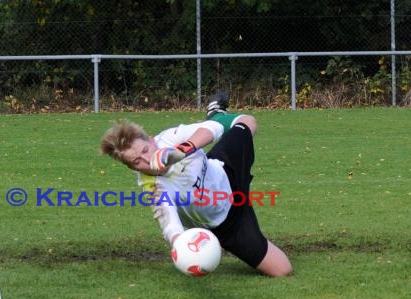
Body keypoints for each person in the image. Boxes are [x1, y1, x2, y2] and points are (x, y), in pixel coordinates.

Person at [100, 92, 292, 277]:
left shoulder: (169, 138)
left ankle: (216, 114)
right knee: (282, 270)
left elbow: (213, 130)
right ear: (131, 168)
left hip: (226, 170)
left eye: (145, 150)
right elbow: (171, 226)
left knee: (247, 122)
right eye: (137, 161)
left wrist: (181, 151)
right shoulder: (155, 187)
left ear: (151, 140)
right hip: (226, 223)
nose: (147, 160)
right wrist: (182, 247)